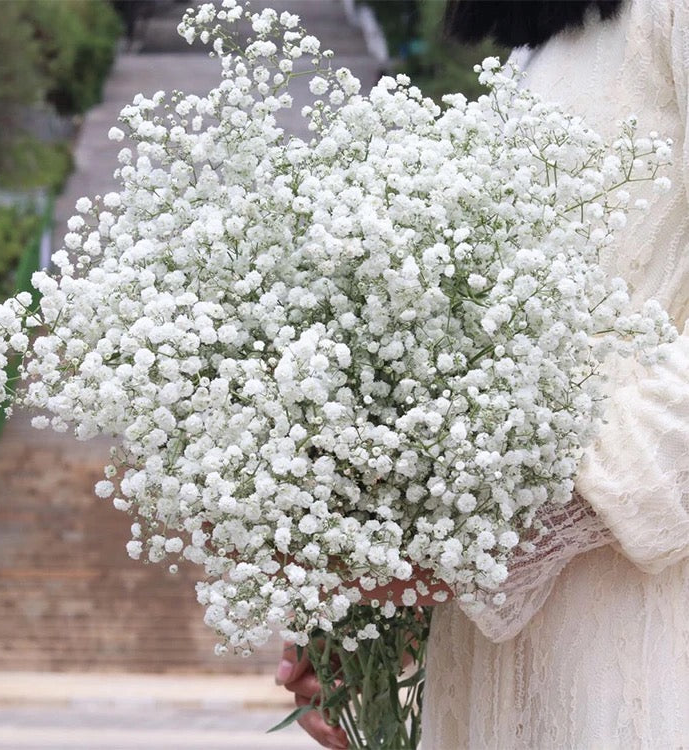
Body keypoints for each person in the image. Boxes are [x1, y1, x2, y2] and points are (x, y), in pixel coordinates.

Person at [276, 0, 689, 747]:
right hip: (503, 652)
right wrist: (372, 614)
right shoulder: (551, 43)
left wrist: (481, 547)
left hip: (639, 641)